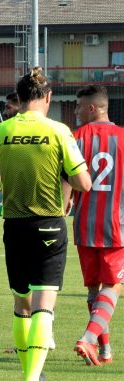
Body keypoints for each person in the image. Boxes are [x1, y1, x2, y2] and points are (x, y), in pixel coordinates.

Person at [0, 68, 91, 381]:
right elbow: (83, 182)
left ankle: (31, 380)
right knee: (44, 305)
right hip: (50, 225)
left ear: (20, 98)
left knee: (22, 304)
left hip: (14, 226)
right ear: (48, 98)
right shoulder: (58, 131)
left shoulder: (0, 130)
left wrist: (5, 183)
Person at [70, 85, 124, 366]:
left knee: (93, 290)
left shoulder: (75, 138)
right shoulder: (123, 137)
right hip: (117, 225)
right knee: (114, 286)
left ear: (92, 108)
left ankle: (105, 351)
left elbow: (66, 178)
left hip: (84, 225)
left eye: (79, 106)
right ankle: (89, 339)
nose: (76, 111)